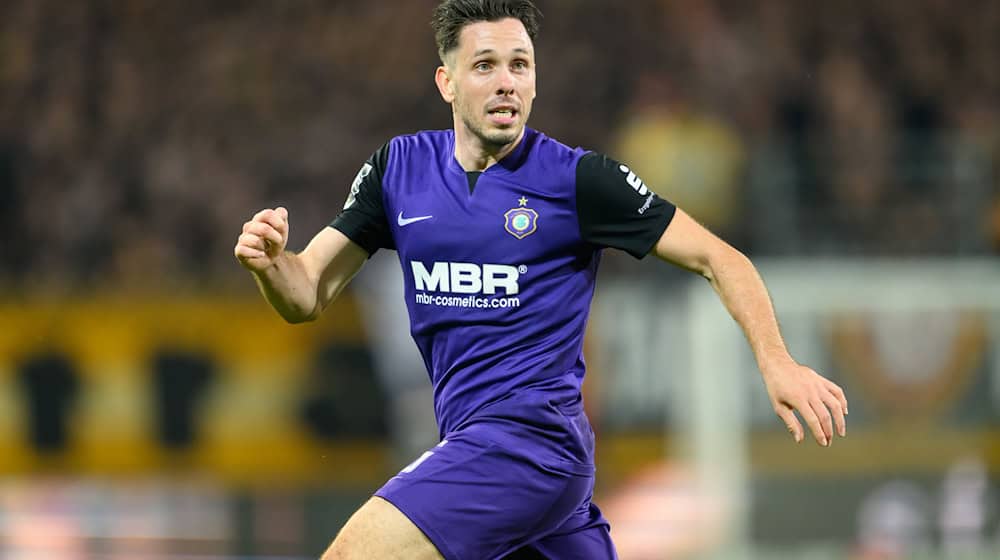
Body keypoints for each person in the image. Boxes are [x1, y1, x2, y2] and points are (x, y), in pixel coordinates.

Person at [234, 1, 849, 558]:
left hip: (528, 445)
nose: (507, 81)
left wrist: (777, 362)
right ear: (446, 82)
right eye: (485, 65)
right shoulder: (397, 171)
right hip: (517, 471)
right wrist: (270, 265)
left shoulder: (578, 181)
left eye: (520, 65)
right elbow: (306, 292)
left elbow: (721, 258)